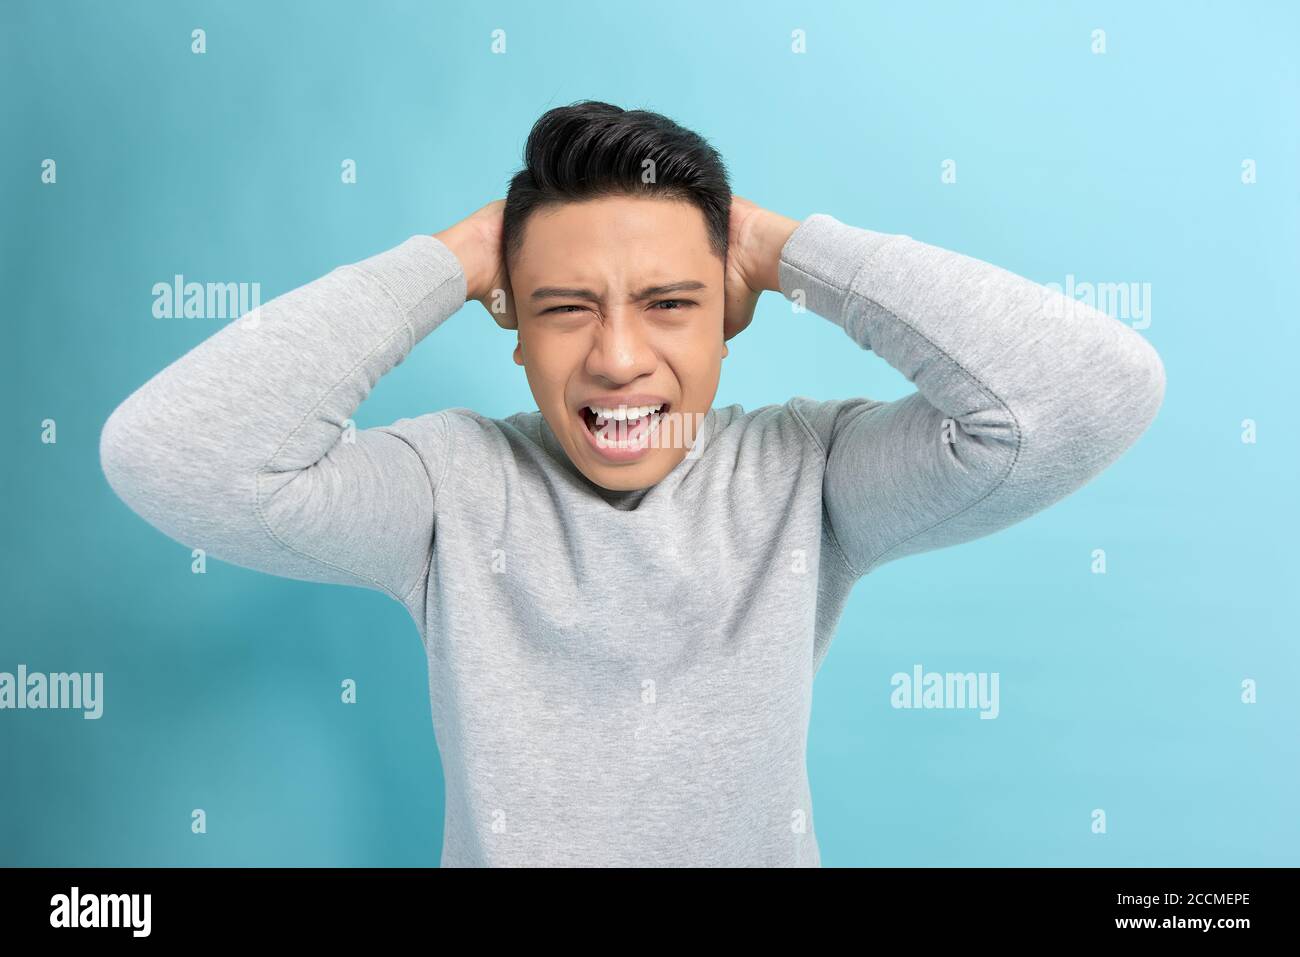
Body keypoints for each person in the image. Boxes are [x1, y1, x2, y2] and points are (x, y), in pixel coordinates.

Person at [100, 100, 1166, 867]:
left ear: (732, 313)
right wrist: (458, 255)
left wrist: (779, 245)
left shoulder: (811, 475)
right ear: (508, 318)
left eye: (668, 303)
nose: (616, 359)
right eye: (565, 306)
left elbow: (1080, 397)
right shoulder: (446, 490)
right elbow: (180, 455)